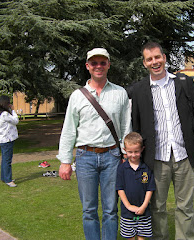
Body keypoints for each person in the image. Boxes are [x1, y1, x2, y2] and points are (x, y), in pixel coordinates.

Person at [131, 42, 194, 240]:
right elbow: (136, 122)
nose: (155, 62)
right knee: (157, 206)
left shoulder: (184, 82)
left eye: (157, 57)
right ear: (144, 63)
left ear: (165, 57)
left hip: (184, 155)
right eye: (149, 59)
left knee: (185, 206)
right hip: (156, 158)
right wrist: (135, 153)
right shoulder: (139, 90)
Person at [57, 48, 132, 240]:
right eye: (94, 63)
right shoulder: (77, 96)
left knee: (110, 209)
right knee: (89, 210)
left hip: (113, 156)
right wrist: (65, 161)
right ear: (87, 66)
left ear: (108, 65)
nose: (98, 66)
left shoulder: (120, 93)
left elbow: (126, 128)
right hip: (85, 157)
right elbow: (69, 129)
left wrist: (126, 154)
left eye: (102, 62)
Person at [116, 132, 156, 240]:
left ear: (142, 149)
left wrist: (143, 206)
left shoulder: (147, 168)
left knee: (142, 237)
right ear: (124, 150)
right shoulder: (121, 169)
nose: (133, 155)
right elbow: (120, 189)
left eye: (136, 151)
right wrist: (128, 206)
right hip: (127, 213)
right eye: (130, 152)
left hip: (144, 212)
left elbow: (150, 189)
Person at [0, 95, 19, 188]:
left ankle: (4, 177)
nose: (10, 104)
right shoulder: (5, 114)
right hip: (7, 139)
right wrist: (13, 110)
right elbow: (16, 121)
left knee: (5, 159)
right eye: (9, 102)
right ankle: (8, 180)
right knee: (7, 160)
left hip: (3, 139)